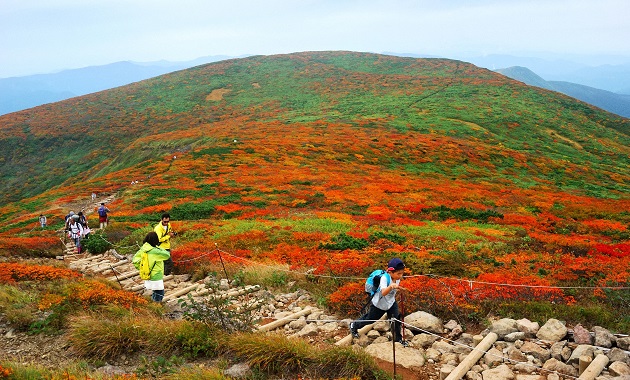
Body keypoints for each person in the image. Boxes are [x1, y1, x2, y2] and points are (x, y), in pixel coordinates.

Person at [350, 258, 409, 347]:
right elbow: (384, 292)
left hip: (391, 303)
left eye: (402, 273)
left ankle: (398, 339)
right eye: (398, 273)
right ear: (390, 272)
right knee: (370, 319)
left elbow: (393, 289)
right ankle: (354, 325)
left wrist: (400, 289)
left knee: (396, 320)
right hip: (379, 304)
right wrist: (391, 286)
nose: (400, 276)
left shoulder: (397, 278)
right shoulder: (384, 278)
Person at [132, 231, 171, 302]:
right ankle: (156, 306)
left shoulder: (143, 249)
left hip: (147, 273)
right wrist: (159, 247)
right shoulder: (155, 251)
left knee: (155, 291)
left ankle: (153, 305)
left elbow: (135, 260)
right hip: (156, 273)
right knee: (160, 292)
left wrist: (141, 267)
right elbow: (167, 255)